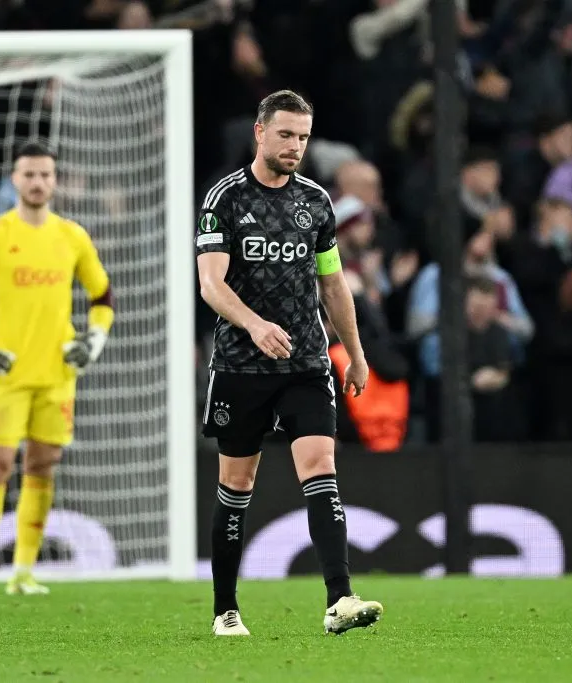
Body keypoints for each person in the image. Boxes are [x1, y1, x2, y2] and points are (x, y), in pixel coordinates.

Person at [195, 90, 383, 637]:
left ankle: (339, 599)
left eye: (302, 137)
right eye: (285, 134)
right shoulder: (225, 199)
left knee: (321, 467)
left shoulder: (316, 203)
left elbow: (333, 284)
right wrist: (255, 325)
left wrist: (355, 354)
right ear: (260, 132)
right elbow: (211, 283)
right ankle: (225, 609)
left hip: (305, 362)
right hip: (241, 365)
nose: (294, 146)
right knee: (237, 483)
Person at [0, 142, 114, 595]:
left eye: (45, 174)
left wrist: (93, 342)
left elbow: (102, 297)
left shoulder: (72, 236)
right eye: (29, 174)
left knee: (42, 466)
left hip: (57, 377)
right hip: (7, 376)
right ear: (15, 179)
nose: (37, 182)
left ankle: (23, 573)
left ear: (54, 181)